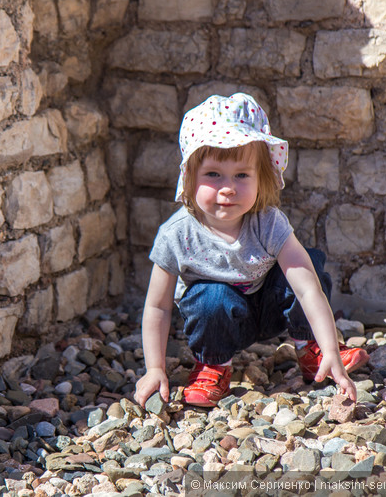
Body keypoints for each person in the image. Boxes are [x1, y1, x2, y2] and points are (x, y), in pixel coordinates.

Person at [133, 93, 369, 408]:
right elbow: (158, 307)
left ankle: (312, 349)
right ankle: (213, 364)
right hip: (221, 320)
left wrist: (331, 348)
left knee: (306, 264)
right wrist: (155, 369)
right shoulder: (177, 235)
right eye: (213, 174)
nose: (228, 187)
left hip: (272, 309)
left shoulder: (268, 223)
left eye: (242, 175)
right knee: (210, 297)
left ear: (262, 178)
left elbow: (308, 290)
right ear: (188, 178)